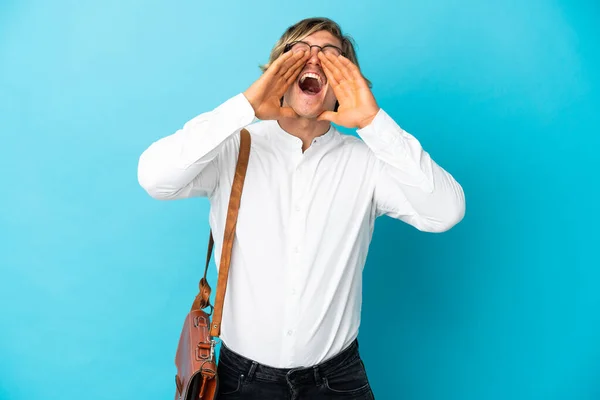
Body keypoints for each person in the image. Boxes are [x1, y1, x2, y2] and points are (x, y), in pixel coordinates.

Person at [138, 16, 465, 400]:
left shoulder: (369, 161)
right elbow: (154, 177)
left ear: (346, 81)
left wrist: (373, 122)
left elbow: (446, 211)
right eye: (298, 53)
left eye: (330, 56)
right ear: (278, 72)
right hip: (239, 381)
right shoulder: (233, 147)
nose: (313, 60)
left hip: (337, 381)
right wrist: (246, 106)